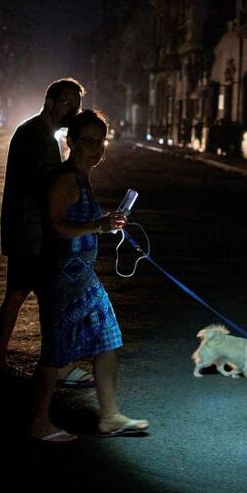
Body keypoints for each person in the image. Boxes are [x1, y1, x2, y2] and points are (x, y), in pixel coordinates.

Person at [29, 110, 149, 442]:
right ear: (70, 142)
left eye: (102, 141)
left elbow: (80, 219)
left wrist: (108, 220)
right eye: (89, 141)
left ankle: (109, 416)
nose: (97, 148)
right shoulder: (66, 178)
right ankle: (39, 422)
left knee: (108, 338)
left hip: (84, 277)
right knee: (54, 353)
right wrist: (99, 224)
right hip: (61, 278)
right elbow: (55, 226)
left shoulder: (82, 177)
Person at [0, 78, 94, 387]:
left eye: (78, 105)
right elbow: (46, 188)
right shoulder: (37, 137)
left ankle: (0, 364)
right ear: (51, 102)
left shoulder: (38, 133)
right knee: (49, 299)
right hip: (32, 233)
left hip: (26, 231)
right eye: (70, 104)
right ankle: (57, 366)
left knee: (19, 296)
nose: (75, 111)